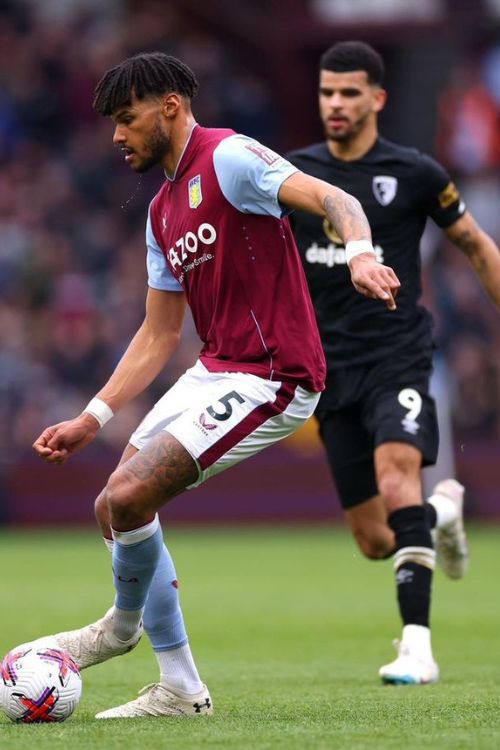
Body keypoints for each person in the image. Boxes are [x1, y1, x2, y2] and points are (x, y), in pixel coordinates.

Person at [28, 52, 400, 719]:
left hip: (276, 375)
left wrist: (361, 253)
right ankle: (178, 685)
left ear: (169, 105)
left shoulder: (230, 158)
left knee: (133, 494)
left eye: (126, 118)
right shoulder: (162, 211)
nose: (117, 136)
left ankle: (121, 628)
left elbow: (335, 198)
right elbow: (157, 334)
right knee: (112, 506)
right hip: (219, 368)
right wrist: (94, 415)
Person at [287, 41, 500, 685]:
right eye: (327, 93)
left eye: (349, 93)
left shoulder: (416, 173)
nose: (336, 105)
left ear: (377, 99)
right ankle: (442, 516)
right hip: (329, 373)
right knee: (377, 539)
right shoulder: (294, 176)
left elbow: (475, 245)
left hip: (397, 356)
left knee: (400, 479)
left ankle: (417, 647)